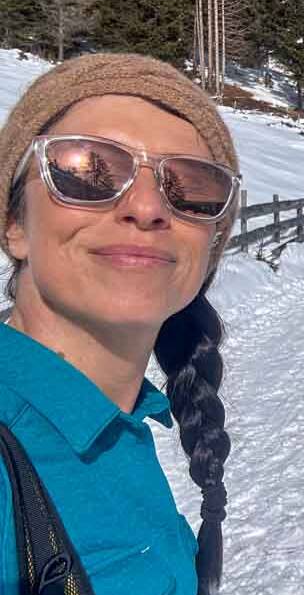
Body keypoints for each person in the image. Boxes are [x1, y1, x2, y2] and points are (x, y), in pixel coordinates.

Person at [0, 54, 241, 594]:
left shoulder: (125, 425)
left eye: (191, 185)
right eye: (86, 170)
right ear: (15, 224)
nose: (148, 206)